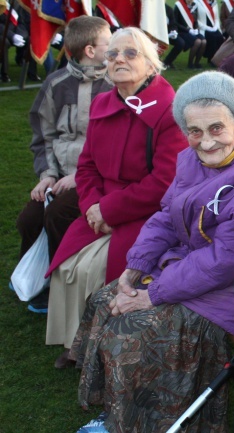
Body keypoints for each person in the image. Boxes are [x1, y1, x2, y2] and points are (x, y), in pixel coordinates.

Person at [71, 71, 234, 433]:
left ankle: (156, 422)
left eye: (217, 128)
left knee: (131, 334)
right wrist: (136, 266)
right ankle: (119, 413)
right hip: (187, 270)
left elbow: (227, 260)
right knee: (104, 301)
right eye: (194, 131)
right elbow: (166, 215)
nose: (205, 142)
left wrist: (153, 292)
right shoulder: (189, 159)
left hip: (233, 287)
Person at [44, 27, 186, 369]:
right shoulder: (102, 102)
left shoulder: (170, 109)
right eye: (112, 54)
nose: (119, 59)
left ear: (152, 65)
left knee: (94, 271)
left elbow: (165, 180)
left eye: (130, 54)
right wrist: (92, 207)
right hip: (99, 207)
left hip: (145, 213)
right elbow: (87, 164)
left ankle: (98, 346)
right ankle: (75, 341)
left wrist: (109, 210)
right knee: (69, 267)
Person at [15, 16, 113, 314]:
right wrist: (47, 175)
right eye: (108, 44)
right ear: (89, 50)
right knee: (29, 218)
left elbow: (112, 145)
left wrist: (78, 178)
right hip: (58, 178)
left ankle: (60, 284)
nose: (113, 50)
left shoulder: (115, 84)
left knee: (57, 215)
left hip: (95, 178)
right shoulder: (55, 84)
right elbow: (43, 137)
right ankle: (34, 277)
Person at [174, 0, 207, 69]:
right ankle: (190, 63)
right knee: (198, 42)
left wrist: (196, 28)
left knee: (204, 42)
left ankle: (197, 63)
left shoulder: (194, 5)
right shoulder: (178, 5)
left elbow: (195, 20)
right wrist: (188, 30)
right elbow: (175, 22)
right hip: (182, 31)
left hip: (192, 30)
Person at [163, 4, 185, 69]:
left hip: (168, 34)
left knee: (180, 43)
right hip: (155, 35)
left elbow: (173, 24)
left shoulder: (169, 9)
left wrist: (174, 31)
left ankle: (167, 62)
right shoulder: (153, 10)